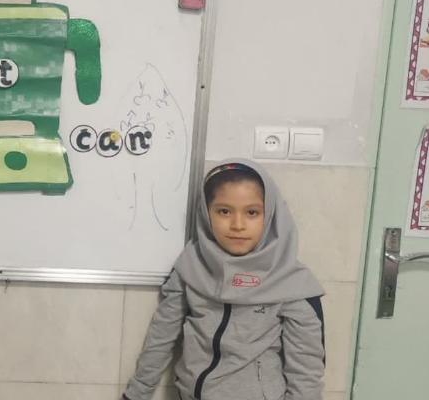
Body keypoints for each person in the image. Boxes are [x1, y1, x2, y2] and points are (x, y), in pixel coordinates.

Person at [123, 159, 325, 400]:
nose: (237, 225)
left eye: (252, 212)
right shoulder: (190, 268)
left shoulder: (292, 283)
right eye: (224, 211)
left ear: (270, 214)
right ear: (206, 213)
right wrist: (135, 395)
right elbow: (160, 339)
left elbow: (306, 374)